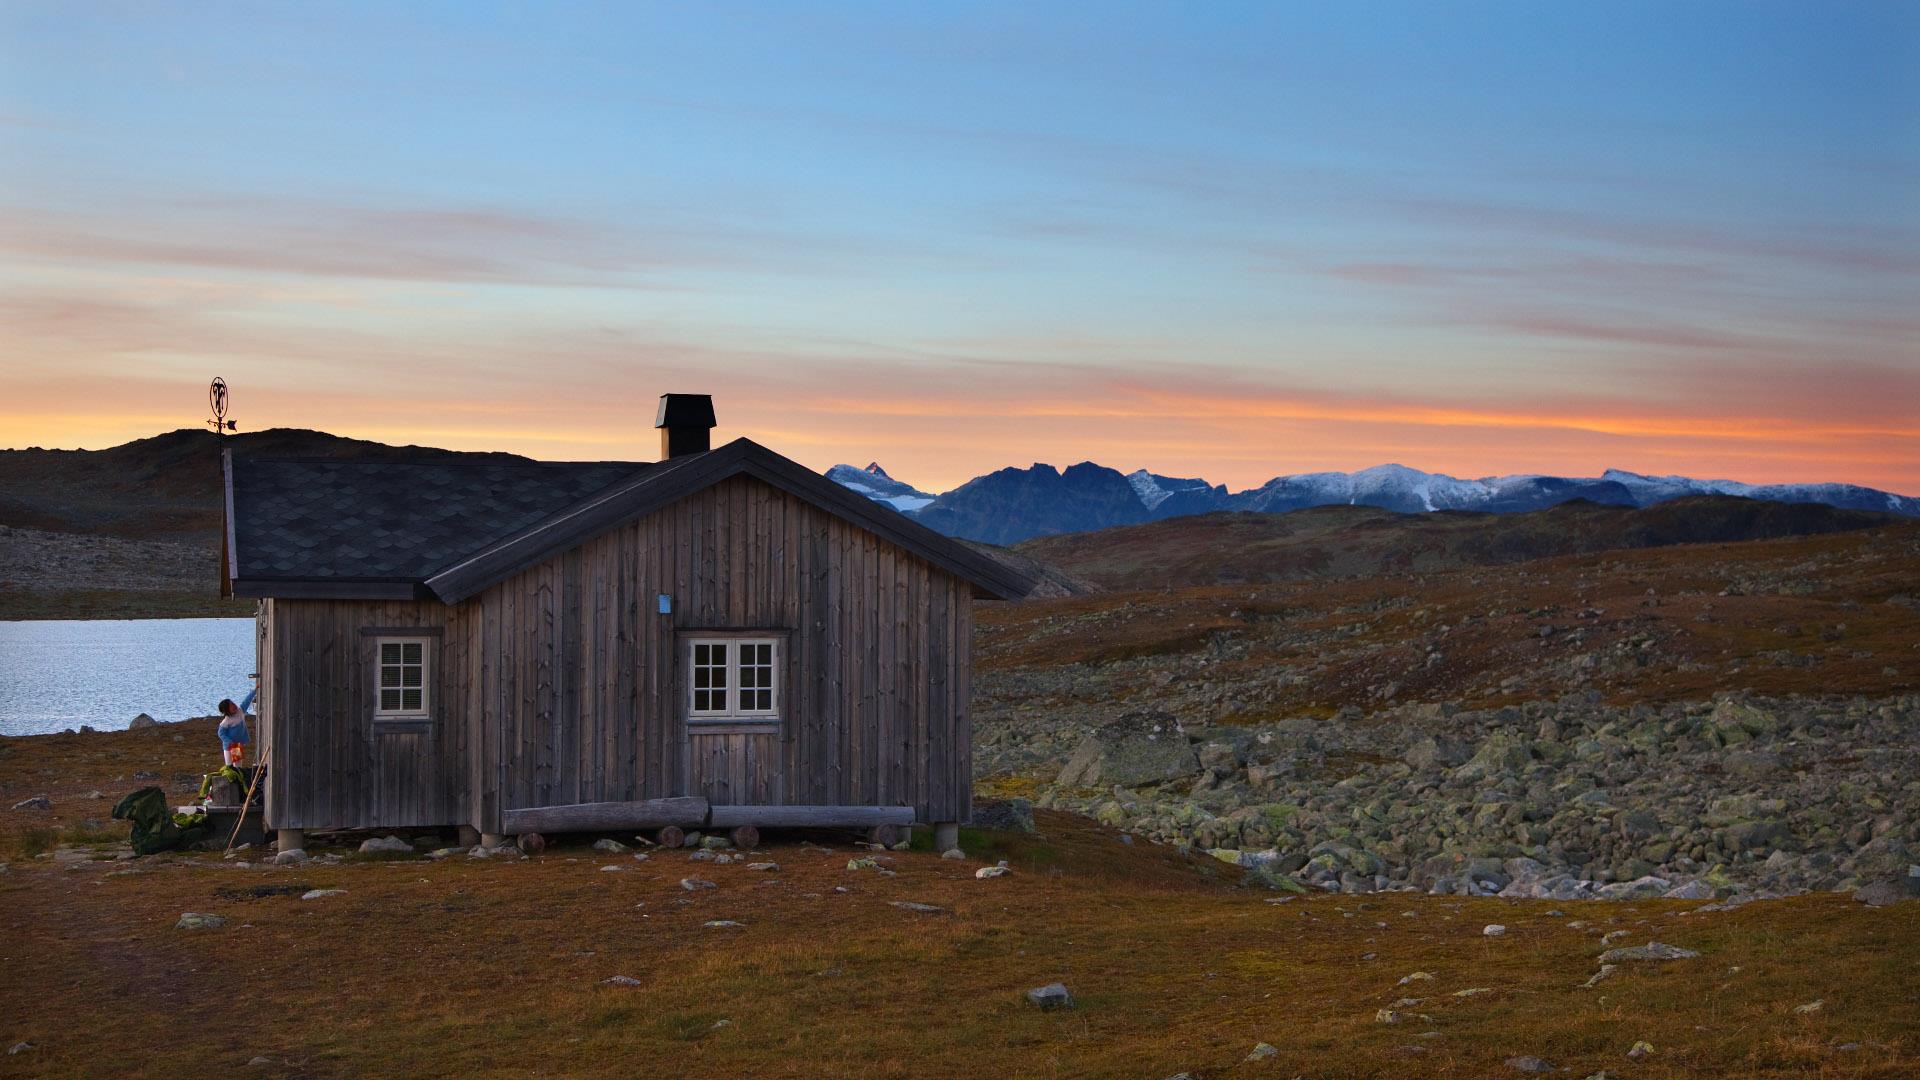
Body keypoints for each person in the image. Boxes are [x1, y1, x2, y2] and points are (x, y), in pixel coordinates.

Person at [216, 682, 255, 766]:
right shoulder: (226, 721)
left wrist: (254, 691)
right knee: (229, 767)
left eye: (233, 703)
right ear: (227, 711)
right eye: (231, 706)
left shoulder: (240, 711)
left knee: (238, 766)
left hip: (237, 746)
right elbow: (221, 733)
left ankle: (238, 778)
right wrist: (229, 742)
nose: (234, 706)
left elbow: (246, 701)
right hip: (228, 747)